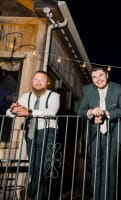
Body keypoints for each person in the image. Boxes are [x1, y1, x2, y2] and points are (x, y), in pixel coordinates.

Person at [6, 70, 60, 200]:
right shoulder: (26, 96)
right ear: (32, 81)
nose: (38, 83)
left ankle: (29, 193)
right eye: (35, 80)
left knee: (44, 166)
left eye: (41, 80)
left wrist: (29, 112)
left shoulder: (54, 95)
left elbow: (52, 111)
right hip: (31, 133)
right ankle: (37, 197)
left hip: (49, 132)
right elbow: (9, 113)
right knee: (34, 166)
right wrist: (13, 110)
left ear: (47, 82)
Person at [77, 66, 121, 200]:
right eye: (94, 77)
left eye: (101, 76)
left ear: (107, 75)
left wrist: (108, 113)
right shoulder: (87, 90)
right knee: (96, 170)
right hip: (94, 136)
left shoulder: (118, 89)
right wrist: (90, 112)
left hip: (113, 136)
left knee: (110, 171)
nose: (98, 79)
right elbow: (81, 110)